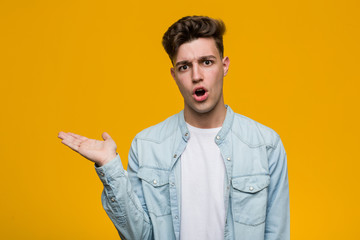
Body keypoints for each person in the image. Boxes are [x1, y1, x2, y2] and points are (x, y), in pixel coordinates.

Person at [58, 16, 290, 240]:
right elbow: (139, 236)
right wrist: (109, 167)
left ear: (224, 66)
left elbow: (277, 234)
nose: (197, 76)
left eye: (206, 62)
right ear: (174, 75)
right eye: (184, 67)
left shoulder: (265, 145)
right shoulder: (147, 146)